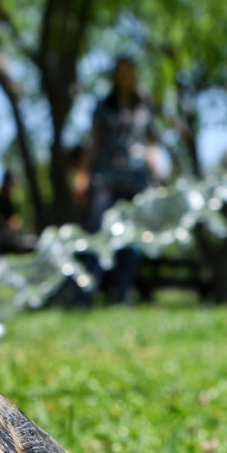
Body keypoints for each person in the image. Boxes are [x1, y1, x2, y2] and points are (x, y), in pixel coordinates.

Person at [78, 55, 162, 303]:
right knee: (97, 231)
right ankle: (86, 293)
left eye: (129, 72)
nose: (125, 76)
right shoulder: (104, 107)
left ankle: (122, 294)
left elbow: (151, 145)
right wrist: (82, 174)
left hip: (136, 180)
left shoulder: (144, 108)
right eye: (120, 72)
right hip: (106, 177)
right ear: (114, 76)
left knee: (130, 238)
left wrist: (157, 172)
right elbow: (93, 142)